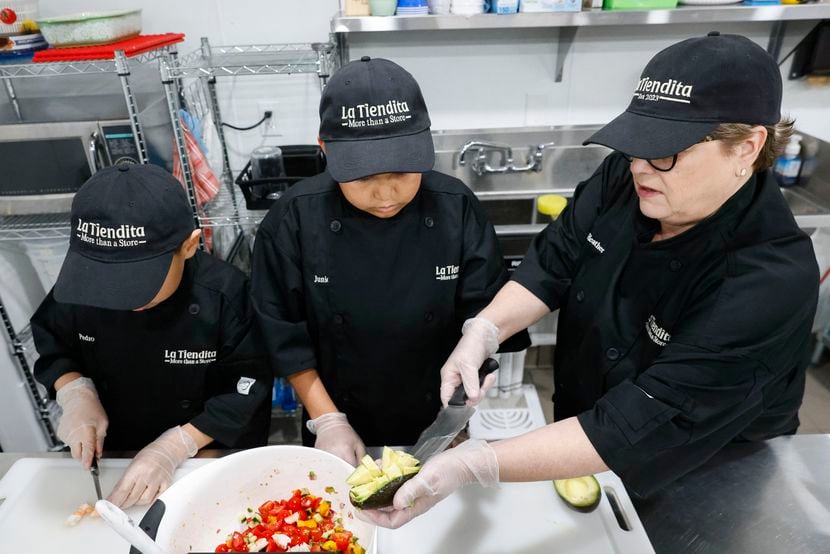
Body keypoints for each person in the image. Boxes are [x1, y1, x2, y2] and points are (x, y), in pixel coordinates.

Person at [361, 32, 820, 528]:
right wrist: (485, 329)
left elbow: (643, 421)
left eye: (665, 152)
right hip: (585, 428)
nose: (640, 166)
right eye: (635, 146)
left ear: (746, 147)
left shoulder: (768, 279)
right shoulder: (628, 177)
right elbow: (554, 262)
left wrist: (476, 464)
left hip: (709, 469)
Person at [251, 56, 529, 464]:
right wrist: (327, 421)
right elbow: (283, 337)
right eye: (363, 177)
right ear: (325, 150)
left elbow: (488, 313)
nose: (386, 195)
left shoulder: (456, 208)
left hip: (440, 414)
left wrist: (460, 405)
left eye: (402, 172)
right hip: (334, 413)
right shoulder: (292, 220)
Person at [31, 164, 272, 509]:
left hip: (209, 456)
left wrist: (174, 447)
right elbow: (55, 343)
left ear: (188, 246)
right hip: (121, 453)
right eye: (104, 279)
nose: (121, 298)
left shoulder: (227, 296)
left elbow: (246, 391)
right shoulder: (76, 288)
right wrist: (74, 393)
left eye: (137, 281)